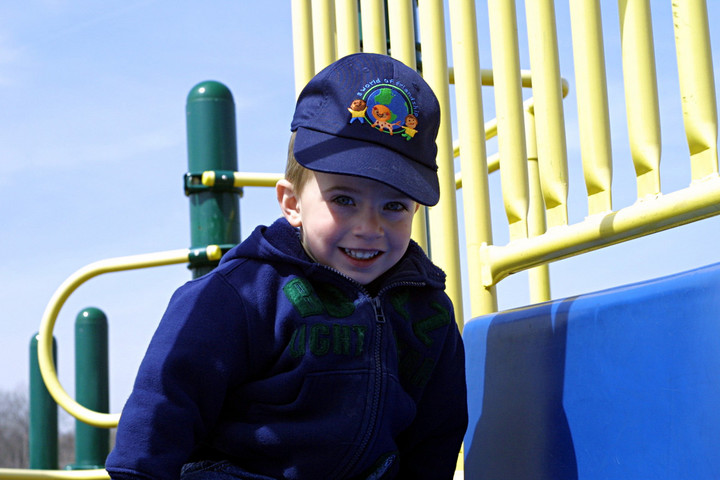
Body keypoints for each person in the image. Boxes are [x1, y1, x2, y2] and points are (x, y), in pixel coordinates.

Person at [105, 52, 467, 480]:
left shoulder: (428, 313)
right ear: (292, 203)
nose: (369, 228)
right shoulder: (242, 293)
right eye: (344, 200)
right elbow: (165, 403)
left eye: (394, 206)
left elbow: (436, 433)